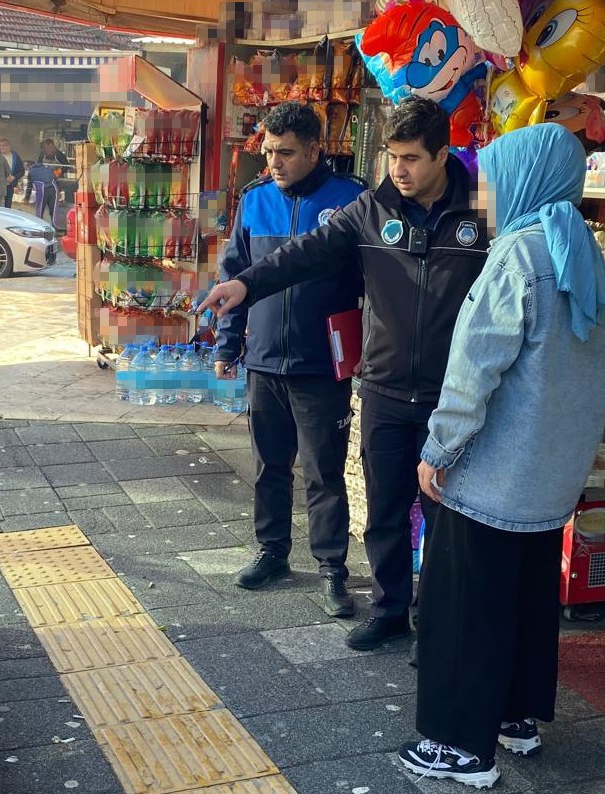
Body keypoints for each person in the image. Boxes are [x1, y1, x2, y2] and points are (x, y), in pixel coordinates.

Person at [198, 97, 492, 652]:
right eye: (391, 157)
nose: (398, 171)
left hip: (449, 393)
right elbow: (305, 253)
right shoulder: (369, 209)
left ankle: (435, 625)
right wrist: (245, 286)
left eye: (410, 159)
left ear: (442, 156)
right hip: (382, 384)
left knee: (443, 516)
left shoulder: (481, 211)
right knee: (383, 510)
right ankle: (386, 610)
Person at [397, 122, 605, 789]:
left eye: (492, 181)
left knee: (465, 606)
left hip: (492, 475)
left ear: (526, 179)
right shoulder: (589, 258)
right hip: (551, 477)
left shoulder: (520, 255)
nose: (485, 196)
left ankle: (460, 748)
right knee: (525, 598)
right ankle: (517, 719)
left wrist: (438, 450)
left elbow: (475, 369)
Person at [214, 101, 368, 617]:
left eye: (286, 153)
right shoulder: (254, 201)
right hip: (263, 360)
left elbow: (374, 285)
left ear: (315, 150)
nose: (274, 163)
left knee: (324, 471)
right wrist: (228, 344)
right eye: (269, 152)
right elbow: (234, 276)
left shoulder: (352, 200)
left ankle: (332, 569)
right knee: (267, 466)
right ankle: (271, 552)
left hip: (322, 362)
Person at [0, 138, 25, 209]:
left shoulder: (15, 156)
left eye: (4, 145)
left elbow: (22, 171)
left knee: (8, 206)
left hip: (9, 185)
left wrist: (14, 177)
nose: (1, 147)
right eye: (0, 145)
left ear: (9, 146)